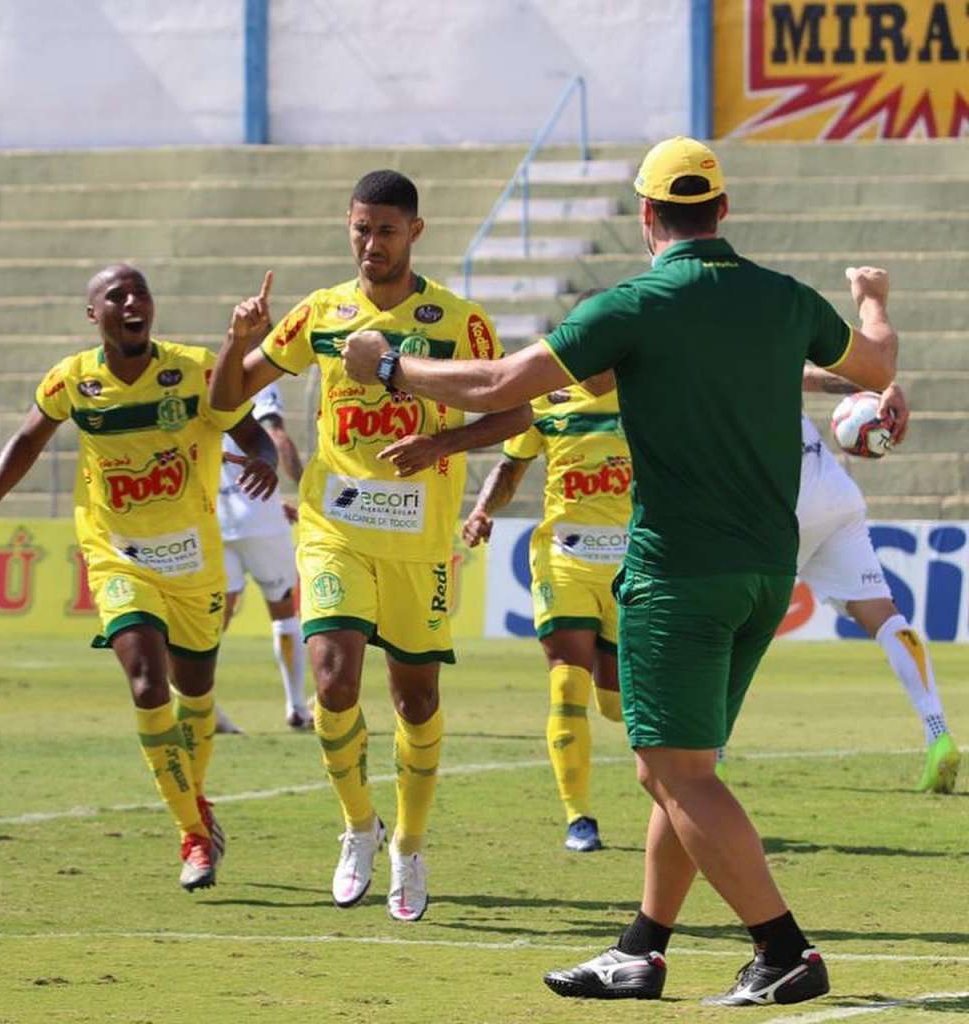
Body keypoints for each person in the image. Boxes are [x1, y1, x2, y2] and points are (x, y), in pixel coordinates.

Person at [341, 138, 898, 1005]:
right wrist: (871, 300)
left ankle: (784, 948)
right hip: (763, 572)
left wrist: (387, 365)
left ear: (646, 216)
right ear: (722, 210)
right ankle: (643, 948)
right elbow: (876, 365)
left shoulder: (634, 304)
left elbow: (498, 383)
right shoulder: (784, 299)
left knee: (680, 773)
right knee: (678, 768)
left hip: (679, 571)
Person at [208, 170, 531, 922]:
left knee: (416, 699)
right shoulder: (319, 312)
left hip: (420, 543)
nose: (370, 243)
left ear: (415, 231)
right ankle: (358, 825)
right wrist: (237, 340)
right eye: (360, 228)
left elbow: (512, 414)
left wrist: (442, 443)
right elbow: (225, 400)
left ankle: (409, 847)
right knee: (333, 682)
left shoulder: (458, 320)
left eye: (386, 230)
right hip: (334, 530)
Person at [0, 264, 275, 893]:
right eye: (116, 295)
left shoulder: (195, 369)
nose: (133, 303)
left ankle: (196, 805)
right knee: (145, 682)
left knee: (196, 696)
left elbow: (249, 431)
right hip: (117, 553)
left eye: (141, 293)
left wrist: (264, 462)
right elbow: (28, 437)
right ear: (93, 314)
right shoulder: (73, 381)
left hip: (193, 561)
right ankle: (192, 834)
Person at [463, 355, 629, 852]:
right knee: (565, 683)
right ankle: (579, 817)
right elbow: (511, 468)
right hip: (564, 559)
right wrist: (481, 509)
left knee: (618, 706)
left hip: (630, 561)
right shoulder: (545, 401)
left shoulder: (647, 396)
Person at [797, 371, 960, 792]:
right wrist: (876, 386)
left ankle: (712, 759)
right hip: (834, 492)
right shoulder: (765, 342)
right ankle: (937, 732)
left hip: (781, 505)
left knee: (730, 625)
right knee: (886, 618)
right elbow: (812, 376)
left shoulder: (710, 362)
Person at [216, 379, 313, 732]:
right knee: (284, 611)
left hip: (215, 517)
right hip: (258, 516)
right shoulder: (258, 384)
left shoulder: (203, 380)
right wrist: (306, 488)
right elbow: (275, 436)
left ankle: (200, 706)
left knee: (214, 620)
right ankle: (298, 707)